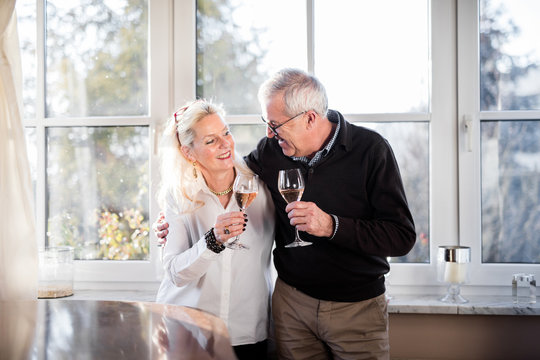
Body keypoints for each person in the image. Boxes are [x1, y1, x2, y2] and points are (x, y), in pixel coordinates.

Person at [156, 69, 416, 359]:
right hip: (291, 306)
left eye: (276, 124)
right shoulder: (271, 153)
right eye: (266, 123)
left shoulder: (371, 150)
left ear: (309, 118)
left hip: (355, 307)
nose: (269, 133)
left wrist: (332, 225)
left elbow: (401, 237)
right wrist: (172, 225)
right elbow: (224, 180)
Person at [154, 99, 275, 360]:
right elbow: (174, 272)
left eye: (226, 133)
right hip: (189, 329)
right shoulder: (179, 196)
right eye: (210, 141)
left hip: (247, 331)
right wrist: (212, 241)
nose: (225, 145)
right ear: (189, 152)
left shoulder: (261, 185)